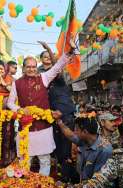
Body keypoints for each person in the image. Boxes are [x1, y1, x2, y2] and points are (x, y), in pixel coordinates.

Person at [7, 44, 74, 176]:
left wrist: (69, 51)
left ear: (36, 67)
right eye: (28, 67)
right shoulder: (17, 83)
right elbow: (10, 103)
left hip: (44, 127)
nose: (31, 69)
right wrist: (20, 109)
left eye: (33, 66)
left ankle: (43, 186)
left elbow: (57, 67)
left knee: (45, 160)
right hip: (26, 128)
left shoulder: (44, 77)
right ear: (23, 68)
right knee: (25, 161)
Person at [37, 43, 76, 180]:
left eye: (50, 56)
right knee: (56, 151)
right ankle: (60, 178)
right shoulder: (41, 76)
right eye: (45, 56)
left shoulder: (58, 75)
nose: (48, 58)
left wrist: (48, 49)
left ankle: (66, 181)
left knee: (66, 151)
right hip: (51, 117)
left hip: (65, 115)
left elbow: (57, 66)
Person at [57, 115, 112, 183]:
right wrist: (59, 121)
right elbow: (70, 135)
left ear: (85, 132)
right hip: (83, 182)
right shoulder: (84, 140)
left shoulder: (104, 150)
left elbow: (98, 180)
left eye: (77, 130)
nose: (75, 132)